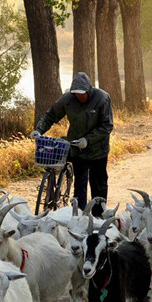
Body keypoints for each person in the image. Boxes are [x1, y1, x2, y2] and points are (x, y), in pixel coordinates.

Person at [32, 72, 114, 215]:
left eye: (82, 94)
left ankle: (99, 216)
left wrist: (88, 140)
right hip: (77, 149)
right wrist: (39, 130)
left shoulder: (102, 98)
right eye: (76, 93)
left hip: (98, 151)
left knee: (98, 185)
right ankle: (79, 216)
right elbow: (51, 114)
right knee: (80, 184)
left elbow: (106, 126)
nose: (79, 96)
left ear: (88, 90)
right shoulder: (68, 99)